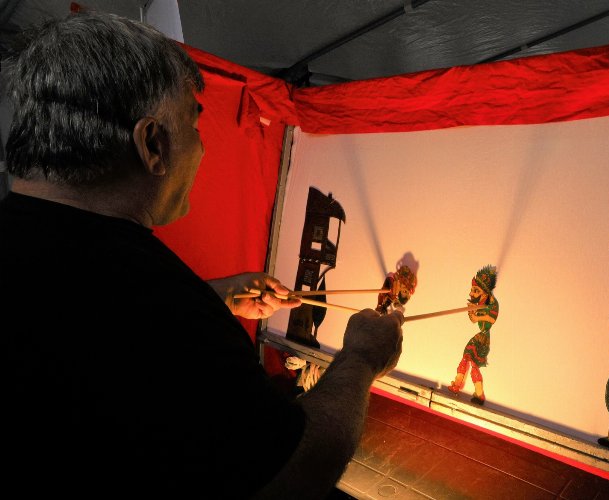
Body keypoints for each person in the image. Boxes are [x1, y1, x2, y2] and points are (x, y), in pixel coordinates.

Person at [0, 11, 403, 500]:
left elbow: (95, 324)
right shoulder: (156, 296)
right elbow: (294, 474)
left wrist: (214, 299)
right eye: (195, 124)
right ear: (152, 144)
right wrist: (361, 359)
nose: (202, 147)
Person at [447, 265, 498, 405]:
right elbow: (473, 319)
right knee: (466, 357)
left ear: (485, 292)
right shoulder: (482, 302)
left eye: (476, 291)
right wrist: (472, 313)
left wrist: (476, 317)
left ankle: (479, 393)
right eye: (472, 290)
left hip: (483, 338)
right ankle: (458, 384)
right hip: (481, 336)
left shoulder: (492, 304)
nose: (471, 293)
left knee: (473, 364)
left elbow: (491, 318)